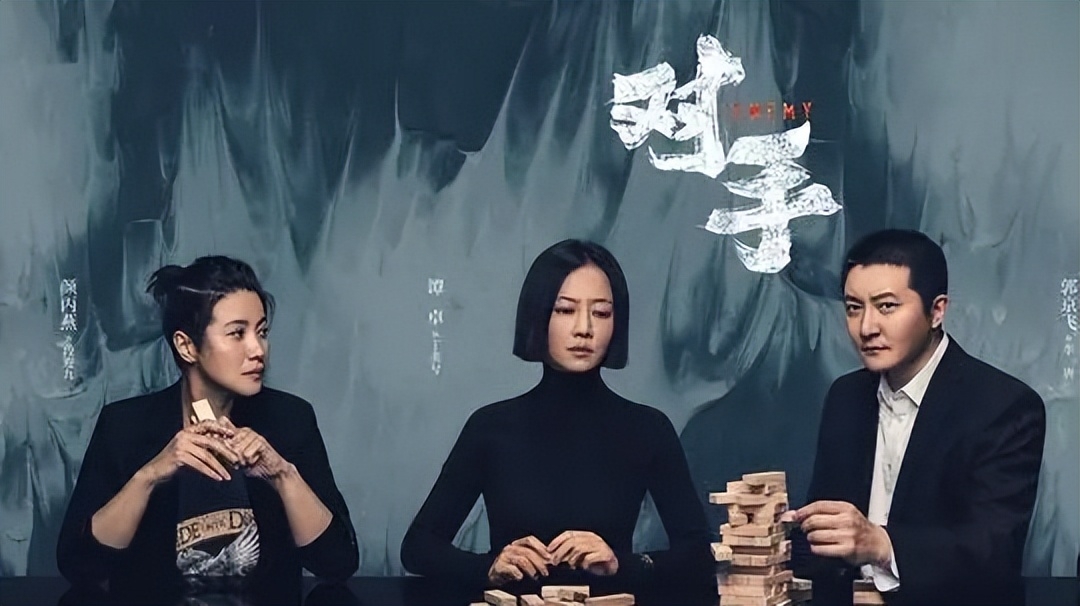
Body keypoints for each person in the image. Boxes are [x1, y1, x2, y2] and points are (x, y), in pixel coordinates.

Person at [400, 239, 714, 595]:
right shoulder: (490, 428)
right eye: (565, 310)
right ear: (538, 314)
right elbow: (418, 547)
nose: (584, 328)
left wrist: (620, 564)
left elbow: (699, 557)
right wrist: (488, 567)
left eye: (601, 313)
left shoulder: (648, 428)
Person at [57, 256, 358, 602]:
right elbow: (79, 567)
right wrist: (149, 477)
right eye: (237, 333)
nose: (258, 350)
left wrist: (282, 475)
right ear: (187, 346)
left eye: (261, 332)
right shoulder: (125, 425)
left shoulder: (290, 419)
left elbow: (337, 564)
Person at [786, 229, 1046, 605]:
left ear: (937, 311)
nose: (866, 327)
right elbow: (826, 534)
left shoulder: (1004, 405)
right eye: (854, 307)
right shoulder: (846, 396)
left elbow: (992, 550)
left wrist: (881, 544)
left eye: (887, 306)